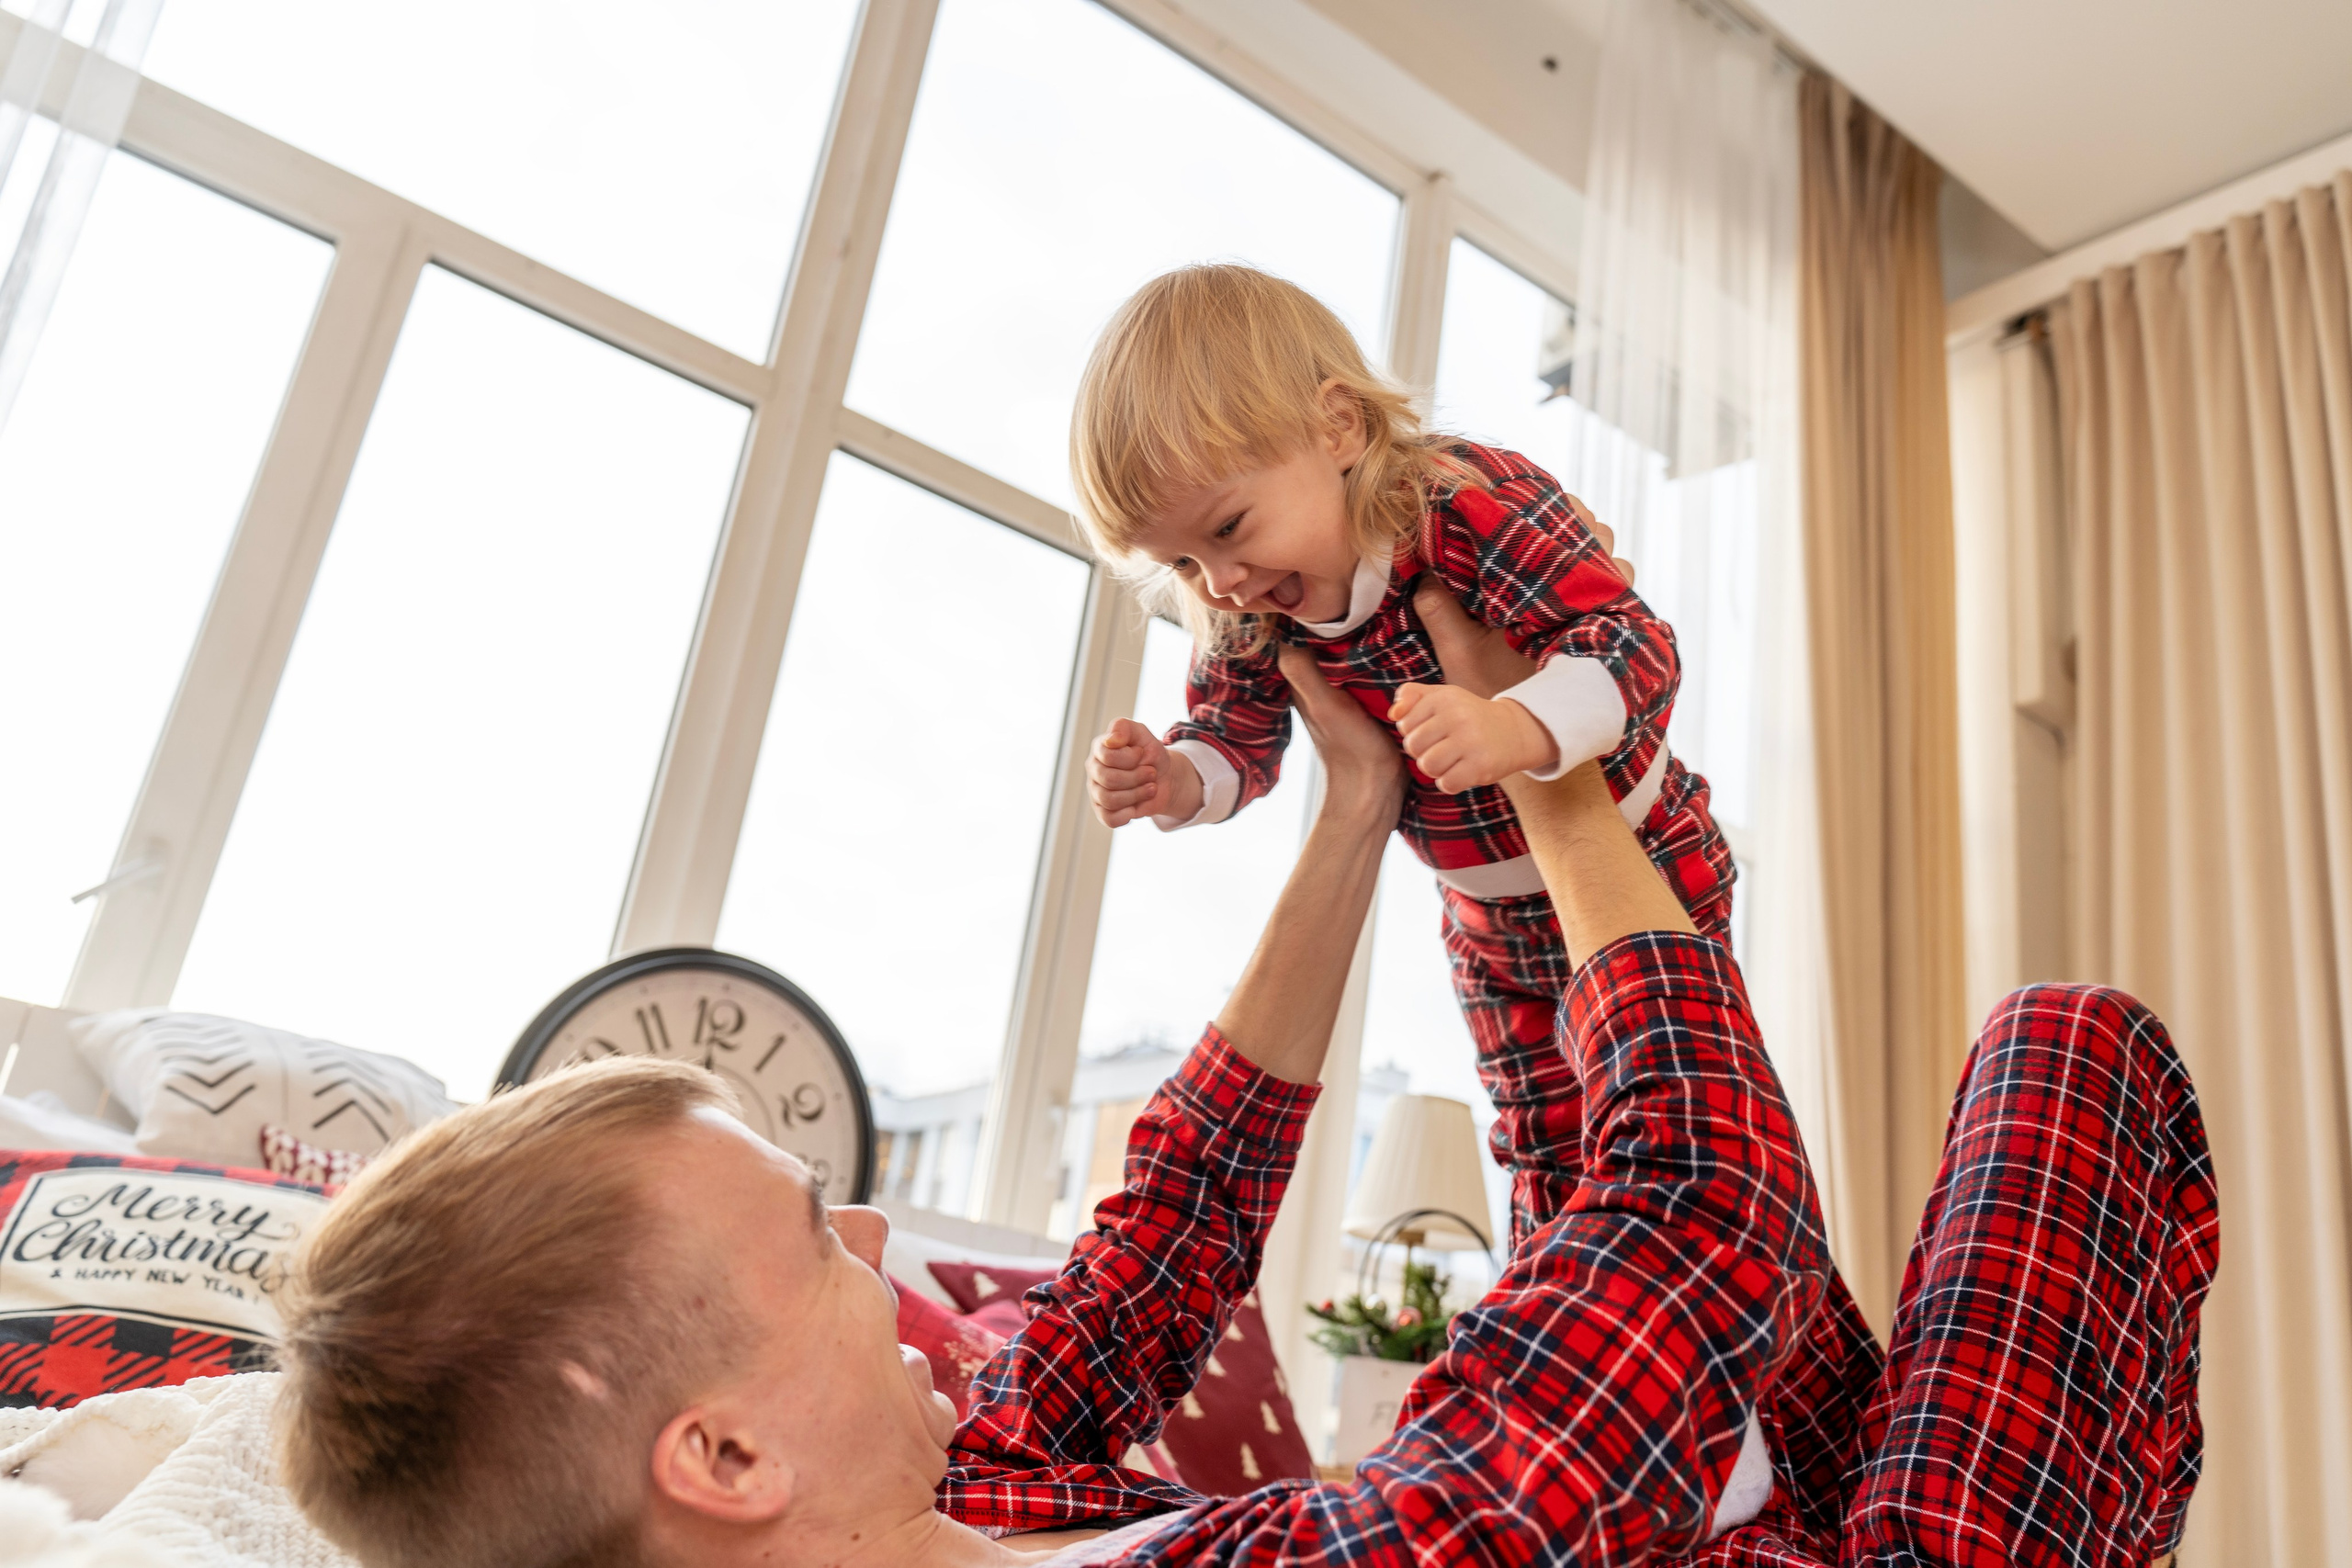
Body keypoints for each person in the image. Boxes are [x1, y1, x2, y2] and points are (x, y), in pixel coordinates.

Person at [272, 602, 2215, 1568]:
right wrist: (1555, 785)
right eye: (808, 1233)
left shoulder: (976, 1482)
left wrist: (1361, 803)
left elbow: (1173, 1219)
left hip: (1736, 1478)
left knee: (2044, 1054)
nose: (868, 1227)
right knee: (2073, 1058)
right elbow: (1700, 1217)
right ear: (718, 1458)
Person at [1069, 263, 1732, 1250]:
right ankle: (1552, 1300)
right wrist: (1176, 778)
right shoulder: (1249, 611)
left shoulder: (1462, 503)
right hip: (1485, 919)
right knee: (1541, 1149)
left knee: (1674, 1110)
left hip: (1642, 856)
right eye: (1182, 564)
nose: (1222, 581)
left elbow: (1630, 644)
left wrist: (1517, 727)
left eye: (1229, 528)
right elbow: (1236, 740)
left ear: (1339, 428)